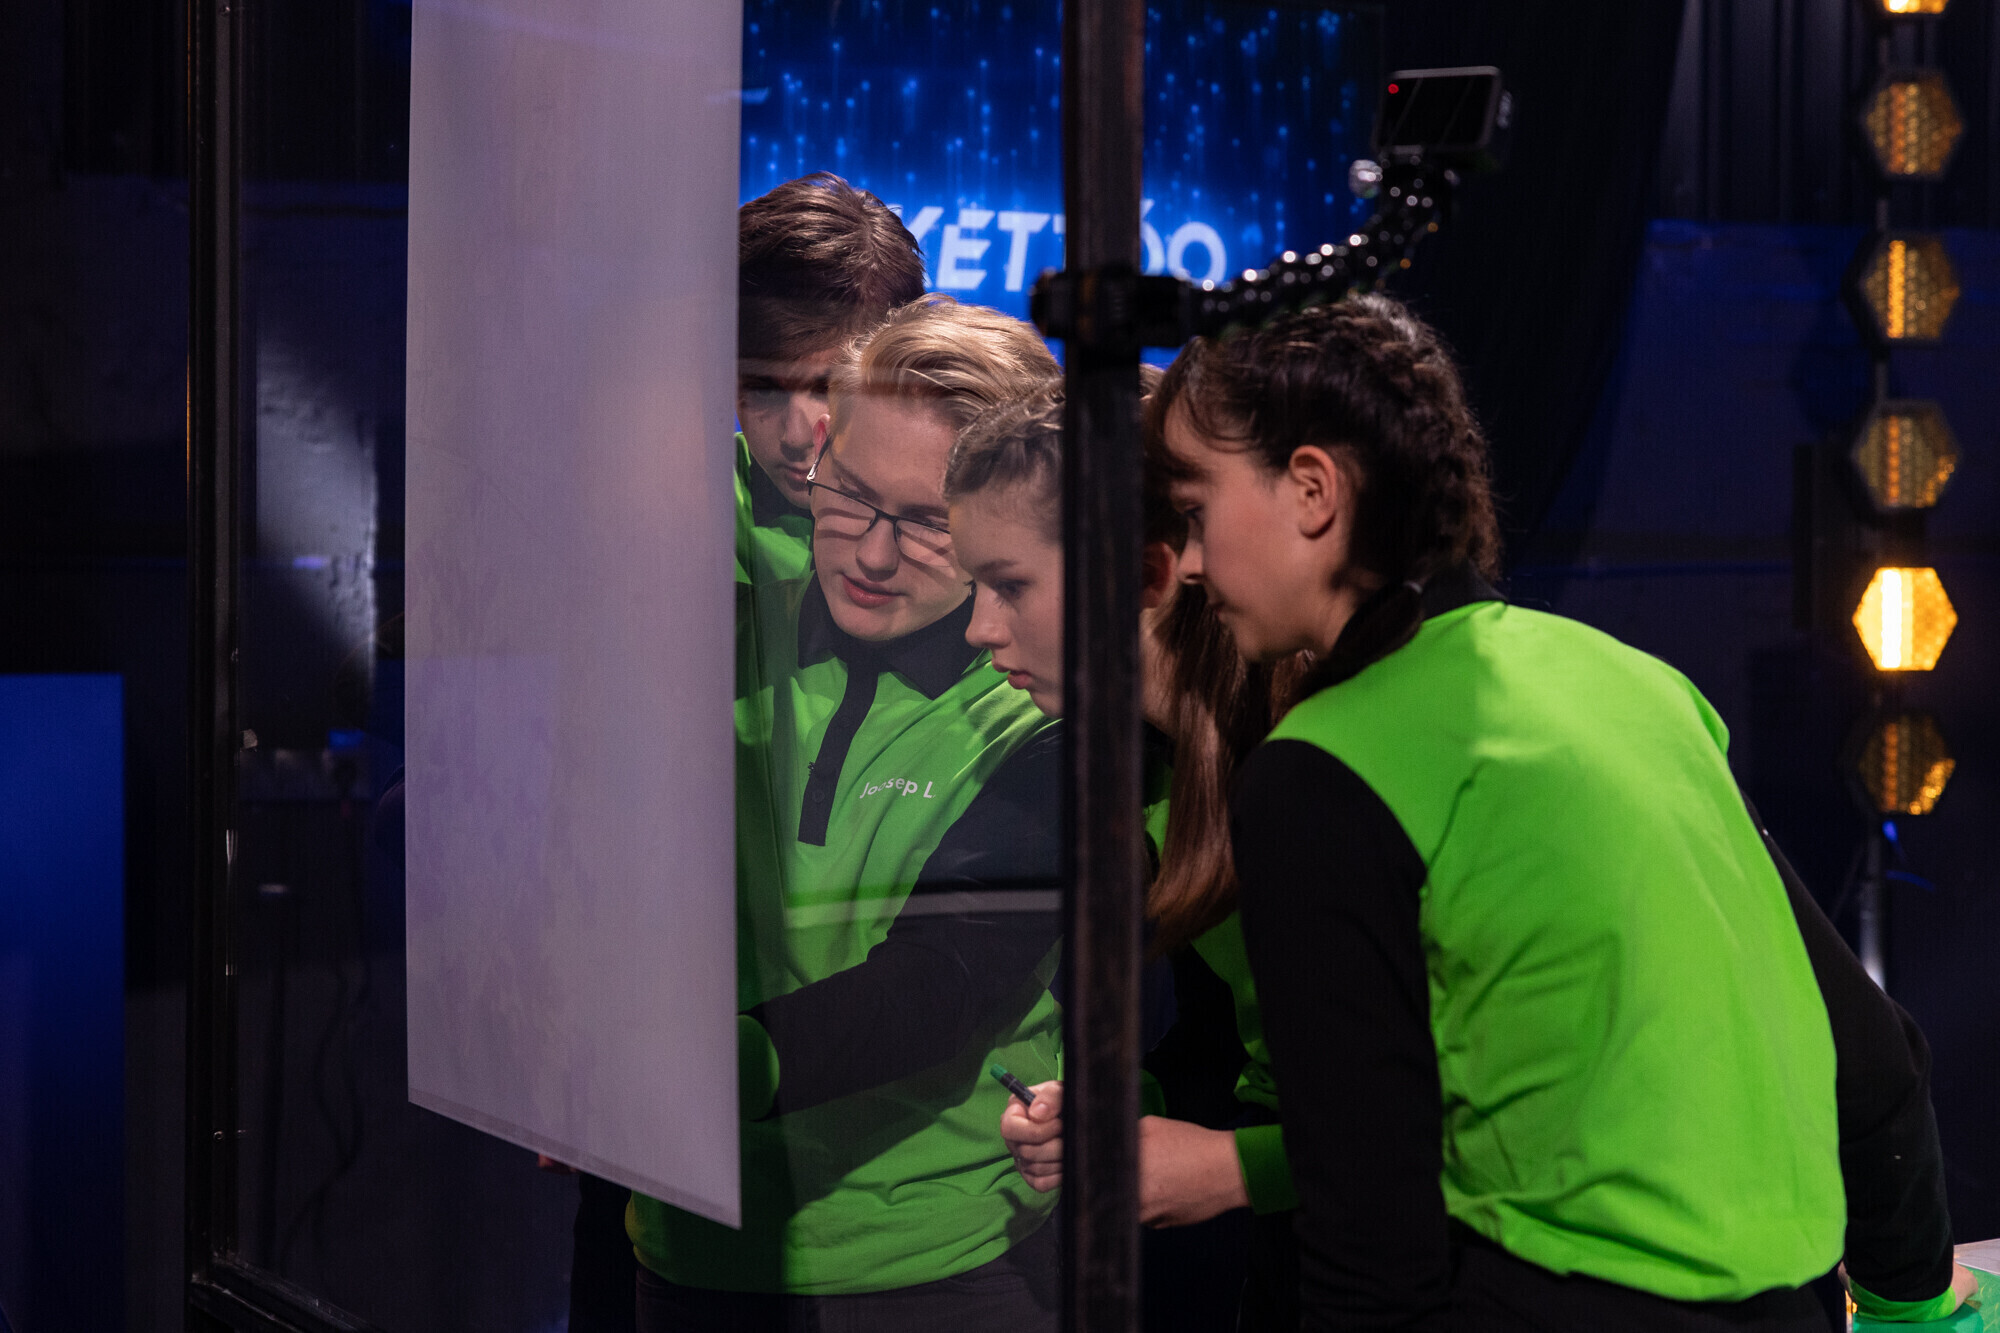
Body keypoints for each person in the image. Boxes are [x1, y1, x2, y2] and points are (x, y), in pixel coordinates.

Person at [1150, 292, 1974, 1331]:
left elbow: (1370, 1240)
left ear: (1312, 490)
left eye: (1194, 512)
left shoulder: (1317, 768)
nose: (1188, 564)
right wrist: (1910, 1306)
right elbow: (1874, 1056)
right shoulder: (1635, 681)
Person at [627, 295, 1067, 1332]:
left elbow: (943, 978)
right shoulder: (718, 627)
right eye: (851, 496)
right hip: (686, 1242)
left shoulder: (1037, 707)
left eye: (927, 523)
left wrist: (681, 1070)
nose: (869, 556)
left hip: (934, 1263)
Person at [955, 381, 1311, 1330]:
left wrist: (1237, 1168)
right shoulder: (1146, 772)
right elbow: (1229, 1056)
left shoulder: (1313, 757)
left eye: (1010, 585)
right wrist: (1115, 1109)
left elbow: (1458, 1111)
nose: (980, 628)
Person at [734, 172, 928, 585]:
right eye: (762, 388)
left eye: (829, 389)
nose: (795, 436)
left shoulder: (975, 516)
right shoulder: (680, 510)